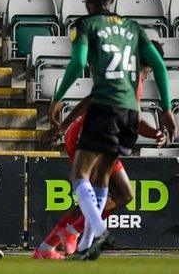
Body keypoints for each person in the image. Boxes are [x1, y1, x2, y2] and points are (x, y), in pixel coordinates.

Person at [47, 0, 175, 260]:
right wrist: (166, 108)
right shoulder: (132, 27)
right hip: (130, 112)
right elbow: (159, 65)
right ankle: (85, 245)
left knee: (80, 174)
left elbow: (79, 62)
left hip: (105, 107)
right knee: (102, 178)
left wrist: (57, 99)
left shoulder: (86, 25)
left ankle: (98, 229)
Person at [33, 41, 167, 260]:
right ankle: (62, 239)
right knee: (106, 195)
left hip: (104, 139)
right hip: (87, 137)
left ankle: (53, 244)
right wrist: (154, 133)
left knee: (122, 195)